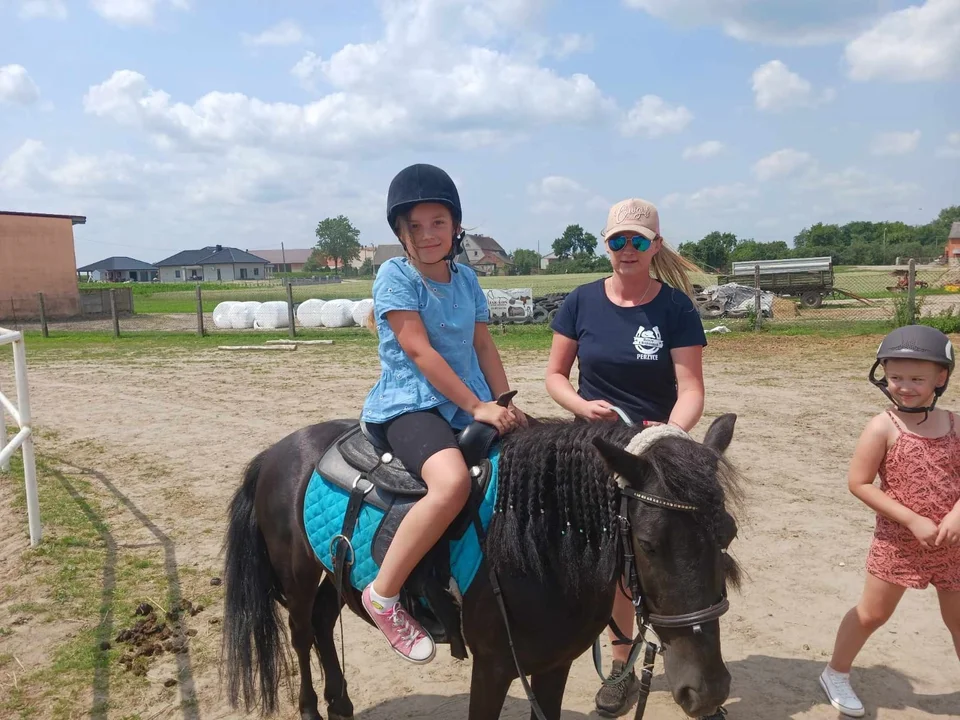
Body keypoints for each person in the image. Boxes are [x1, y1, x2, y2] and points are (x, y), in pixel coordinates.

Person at [544, 197, 709, 717]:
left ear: (655, 245)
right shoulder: (580, 302)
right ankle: (616, 662)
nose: (628, 249)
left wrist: (675, 433)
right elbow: (554, 377)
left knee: (674, 555)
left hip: (654, 452)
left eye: (639, 240)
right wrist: (579, 404)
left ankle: (674, 662)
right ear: (606, 244)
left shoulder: (676, 309)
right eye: (619, 240)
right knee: (603, 560)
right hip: (594, 447)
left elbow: (691, 388)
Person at [359, 163, 526, 664]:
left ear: (455, 227)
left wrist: (505, 402)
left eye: (438, 222)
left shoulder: (467, 278)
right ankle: (384, 595)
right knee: (451, 483)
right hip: (411, 403)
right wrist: (477, 406)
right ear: (400, 233)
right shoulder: (394, 276)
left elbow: (482, 343)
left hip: (468, 399)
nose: (428, 234)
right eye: (415, 225)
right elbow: (419, 350)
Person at [819, 325, 960, 718]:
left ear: (941, 378)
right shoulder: (882, 426)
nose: (905, 386)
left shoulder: (956, 423)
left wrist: (956, 515)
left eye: (917, 378)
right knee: (873, 614)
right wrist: (913, 519)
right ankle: (836, 672)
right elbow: (859, 483)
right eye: (896, 377)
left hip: (953, 543)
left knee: (959, 619)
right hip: (898, 542)